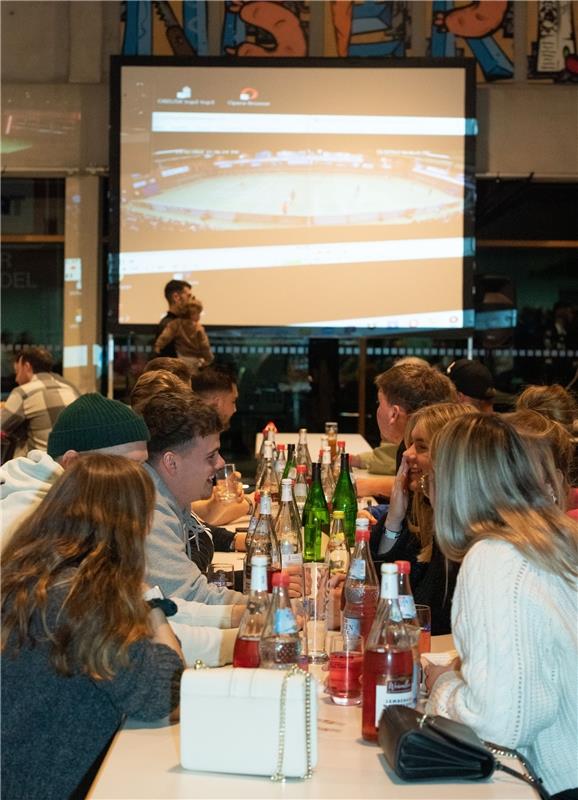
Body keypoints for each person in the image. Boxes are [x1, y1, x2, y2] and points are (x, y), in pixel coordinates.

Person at [1, 454, 184, 800]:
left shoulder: (31, 575)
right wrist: (153, 608)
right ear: (132, 524)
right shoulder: (84, 596)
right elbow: (167, 694)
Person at [424, 414, 578, 799]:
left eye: (434, 477)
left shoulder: (495, 558)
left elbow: (498, 725)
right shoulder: (547, 540)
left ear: (457, 486)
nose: (428, 488)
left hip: (552, 786)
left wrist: (440, 686)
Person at [1, 392, 150, 548]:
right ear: (72, 462)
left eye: (141, 466)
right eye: (126, 467)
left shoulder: (75, 503)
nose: (140, 480)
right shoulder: (38, 520)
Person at [385, 402, 476, 634]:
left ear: (450, 458)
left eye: (421, 447)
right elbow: (387, 580)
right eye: (410, 444)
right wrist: (393, 520)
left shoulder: (465, 535)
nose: (407, 454)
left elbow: (432, 620)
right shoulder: (426, 512)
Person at [0, 347, 81, 458]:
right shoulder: (70, 388)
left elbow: (2, 426)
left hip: (41, 467)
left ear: (27, 366)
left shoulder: (23, 392)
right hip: (72, 464)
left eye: (17, 372)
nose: (16, 379)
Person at [153, 297, 213, 373]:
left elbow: (166, 336)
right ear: (192, 314)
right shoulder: (198, 328)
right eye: (198, 313)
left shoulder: (176, 324)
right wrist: (208, 359)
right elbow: (204, 345)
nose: (199, 316)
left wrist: (158, 346)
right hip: (195, 360)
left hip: (180, 357)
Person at [155, 279, 193, 358]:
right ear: (176, 297)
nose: (191, 302)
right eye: (188, 296)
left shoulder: (183, 323)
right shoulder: (168, 325)